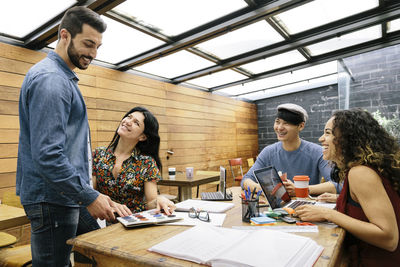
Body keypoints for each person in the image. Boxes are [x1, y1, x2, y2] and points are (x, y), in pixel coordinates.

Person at [16, 6, 131, 266]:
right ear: (65, 35)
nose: (93, 53)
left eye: (98, 46)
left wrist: (93, 195)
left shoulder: (60, 78)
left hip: (61, 195)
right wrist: (89, 195)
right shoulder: (52, 80)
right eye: (88, 44)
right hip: (52, 198)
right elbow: (48, 155)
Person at [296, 109, 400, 266]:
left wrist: (328, 214)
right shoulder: (365, 168)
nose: (321, 138)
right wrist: (343, 200)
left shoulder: (360, 173)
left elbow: (389, 239)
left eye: (328, 133)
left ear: (348, 139)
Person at [242, 103, 341, 196]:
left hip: (307, 207)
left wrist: (300, 189)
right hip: (277, 207)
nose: (279, 128)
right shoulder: (268, 152)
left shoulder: (317, 152)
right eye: (277, 122)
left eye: (286, 123)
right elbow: (246, 180)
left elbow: (338, 184)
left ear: (301, 126)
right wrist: (264, 189)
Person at [92, 106, 176, 215]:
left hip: (133, 220)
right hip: (102, 219)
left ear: (142, 137)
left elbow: (150, 202)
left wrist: (159, 200)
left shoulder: (146, 162)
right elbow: (92, 193)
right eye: (128, 117)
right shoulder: (98, 154)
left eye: (136, 123)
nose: (128, 122)